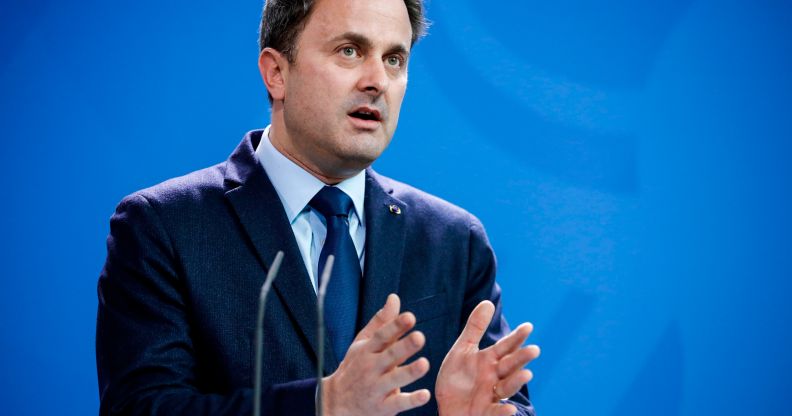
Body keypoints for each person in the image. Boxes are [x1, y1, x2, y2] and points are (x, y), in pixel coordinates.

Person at [95, 0, 540, 415]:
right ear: (276, 73)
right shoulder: (164, 225)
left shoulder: (453, 240)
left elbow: (504, 401)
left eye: (394, 59)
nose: (377, 81)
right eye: (350, 51)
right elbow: (140, 407)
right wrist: (322, 405)